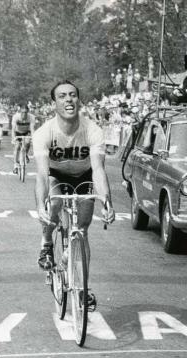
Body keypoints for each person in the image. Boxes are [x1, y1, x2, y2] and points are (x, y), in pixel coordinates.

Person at [33, 80, 115, 311]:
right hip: (56, 176)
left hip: (84, 176)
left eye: (72, 95)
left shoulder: (92, 130)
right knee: (55, 203)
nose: (68, 99)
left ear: (78, 100)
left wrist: (106, 202)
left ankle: (83, 290)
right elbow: (41, 174)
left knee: (83, 229)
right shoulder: (44, 132)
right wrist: (41, 205)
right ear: (54, 103)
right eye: (62, 96)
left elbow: (98, 169)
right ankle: (47, 242)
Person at [11, 104, 36, 173]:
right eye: (22, 112)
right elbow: (13, 129)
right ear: (20, 112)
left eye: (25, 113)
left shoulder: (31, 117)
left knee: (28, 142)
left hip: (26, 132)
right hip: (17, 132)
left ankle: (25, 154)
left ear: (28, 112)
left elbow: (32, 129)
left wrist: (33, 139)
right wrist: (13, 138)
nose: (24, 115)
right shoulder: (16, 117)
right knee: (17, 147)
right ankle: (15, 165)